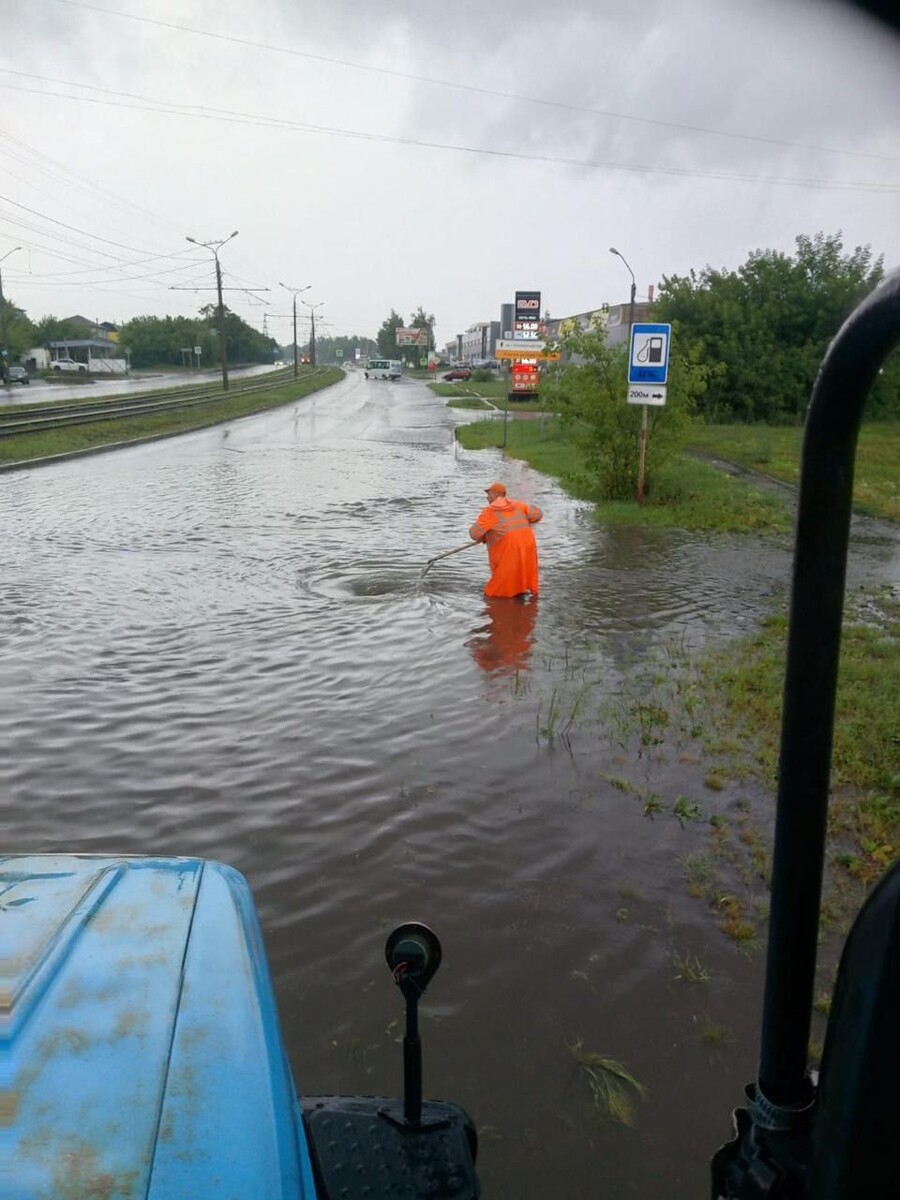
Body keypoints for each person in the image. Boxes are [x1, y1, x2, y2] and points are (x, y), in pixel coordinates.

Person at [468, 482, 542, 597]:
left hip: (509, 548)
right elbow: (538, 514)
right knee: (522, 573)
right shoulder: (519, 505)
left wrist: (485, 535)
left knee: (495, 593)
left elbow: (474, 533)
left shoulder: (490, 511)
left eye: (488, 494)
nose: (487, 498)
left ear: (494, 494)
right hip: (528, 545)